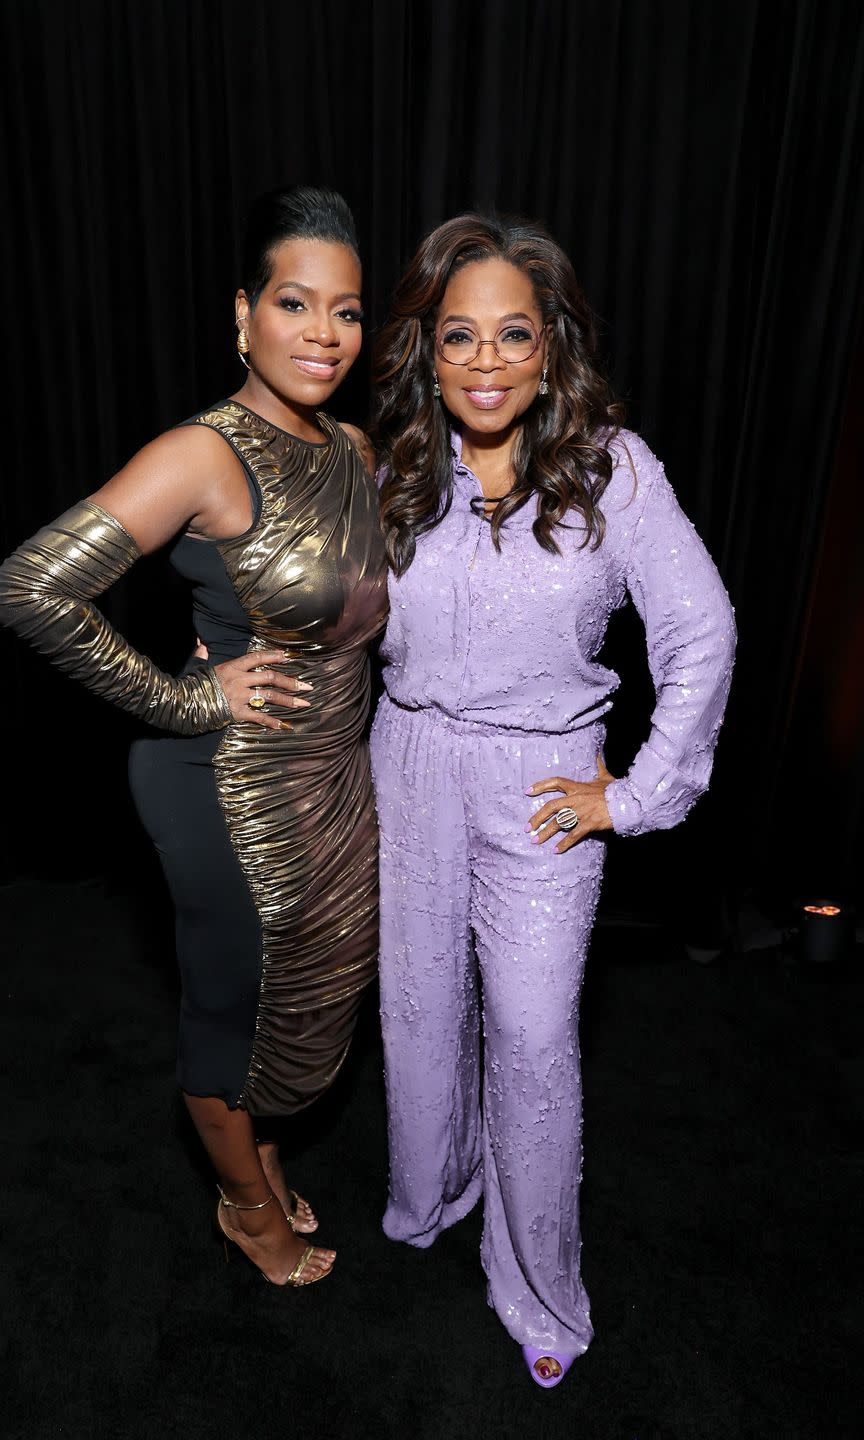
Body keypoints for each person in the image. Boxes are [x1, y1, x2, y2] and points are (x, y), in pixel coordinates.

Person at [0, 186, 387, 1288]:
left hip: (331, 779)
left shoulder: (351, 446)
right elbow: (28, 590)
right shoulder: (204, 455)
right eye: (295, 304)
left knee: (299, 994)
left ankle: (256, 1152)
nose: (324, 333)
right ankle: (249, 1212)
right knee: (229, 1011)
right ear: (243, 314)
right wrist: (185, 700)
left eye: (346, 311)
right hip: (230, 789)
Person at [369, 214, 735, 1382]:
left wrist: (632, 796)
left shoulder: (612, 469)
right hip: (409, 764)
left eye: (511, 335)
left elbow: (701, 630)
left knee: (530, 1043)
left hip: (542, 788)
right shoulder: (390, 468)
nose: (484, 362)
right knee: (421, 1014)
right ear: (428, 349)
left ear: (551, 345)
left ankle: (537, 1289)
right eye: (459, 335)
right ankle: (433, 1193)